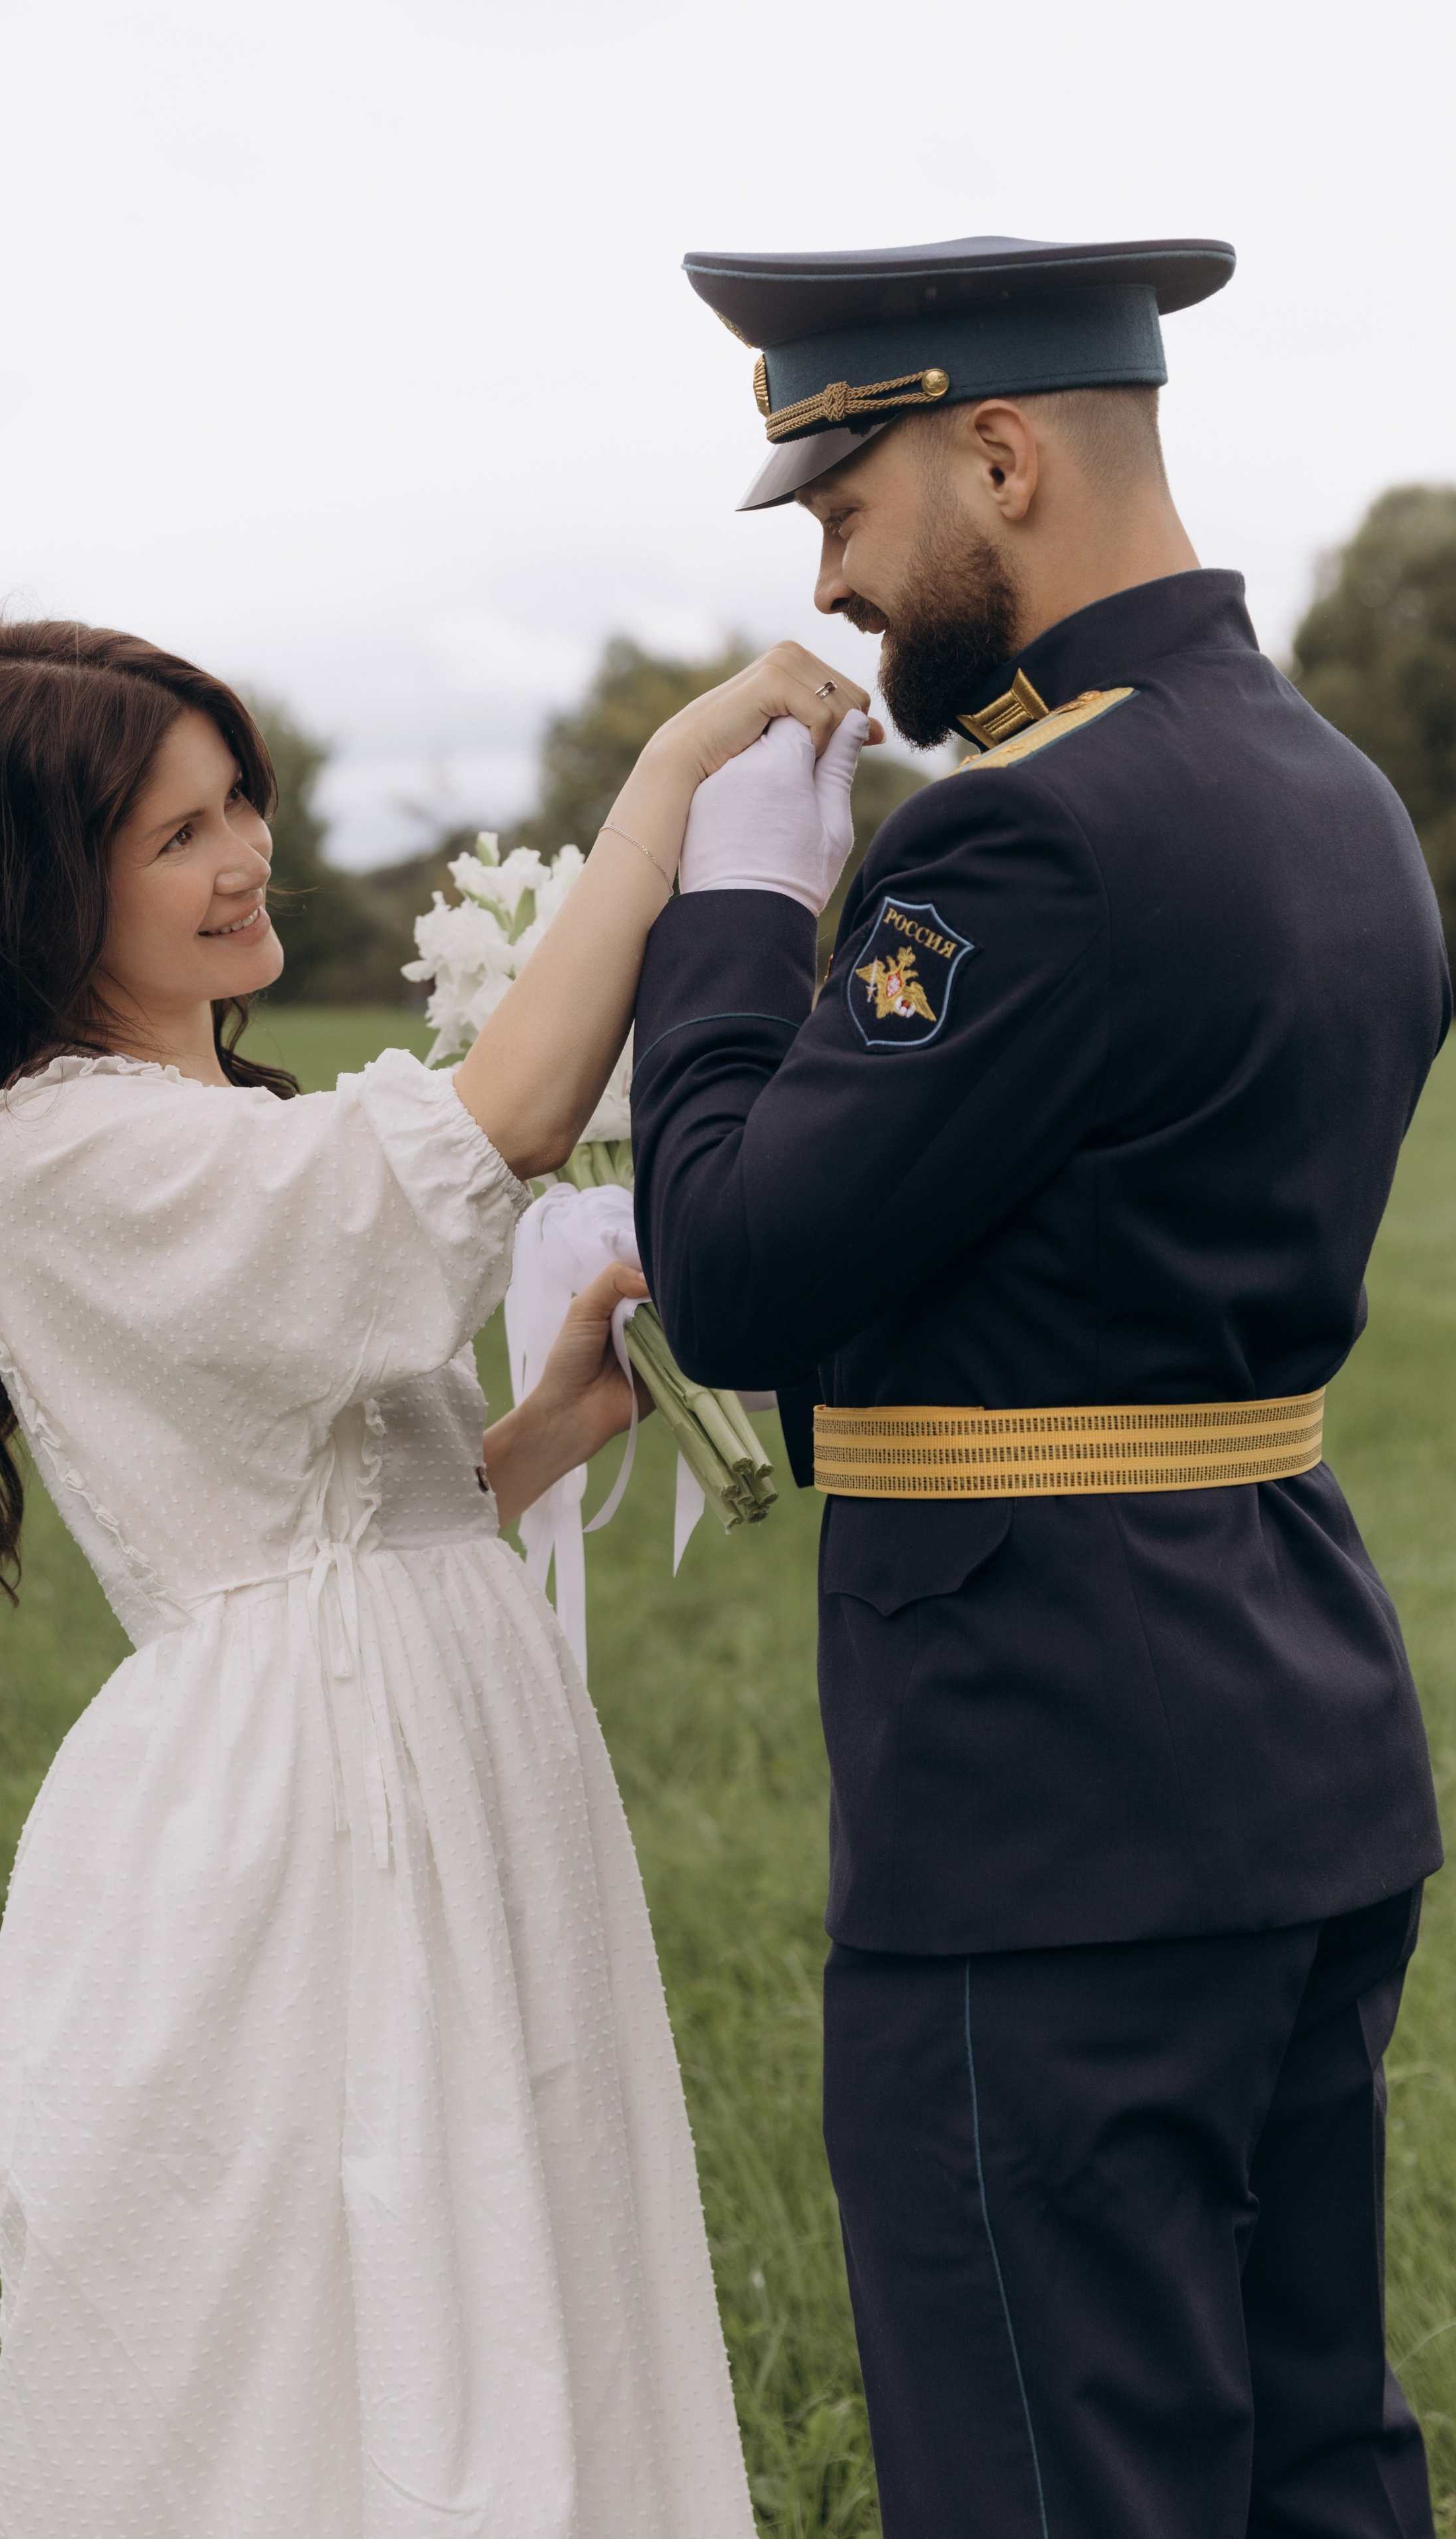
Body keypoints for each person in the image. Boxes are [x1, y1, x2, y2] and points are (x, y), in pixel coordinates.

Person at [0, 616, 874, 2537]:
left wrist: (558, 1429)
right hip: (295, 1822)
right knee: (334, 2307)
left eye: (238, 802)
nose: (242, 854)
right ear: (46, 888)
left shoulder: (225, 1124)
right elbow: (474, 1142)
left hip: (446, 1740)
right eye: (176, 836)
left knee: (513, 2245)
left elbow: (352, 1509)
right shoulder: (55, 1153)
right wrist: (667, 795)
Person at [631, 235, 1449, 2535]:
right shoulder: (1333, 795)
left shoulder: (1029, 833)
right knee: (1309, 2475)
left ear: (1000, 453)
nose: (842, 584)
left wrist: (730, 924)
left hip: (1050, 1808)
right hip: (1289, 1748)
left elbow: (743, 1272)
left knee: (1057, 2481)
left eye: (840, 510)